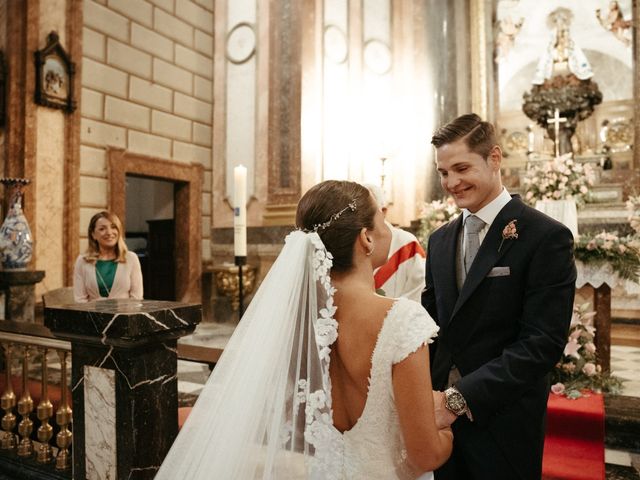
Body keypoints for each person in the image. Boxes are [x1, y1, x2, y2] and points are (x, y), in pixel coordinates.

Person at [156, 180, 452, 479]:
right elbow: (425, 454)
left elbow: (297, 426)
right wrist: (447, 430)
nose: (389, 228)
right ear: (366, 238)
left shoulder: (300, 319)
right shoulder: (402, 319)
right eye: (382, 219)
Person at [422, 113, 576, 480]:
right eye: (443, 173)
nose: (452, 183)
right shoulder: (439, 240)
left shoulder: (545, 236)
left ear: (494, 158)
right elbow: (431, 328)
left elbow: (542, 343)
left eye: (461, 168)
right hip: (439, 423)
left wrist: (458, 400)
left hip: (504, 421)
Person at [364, 183, 426, 302]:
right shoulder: (349, 241)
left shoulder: (407, 243)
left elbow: (419, 289)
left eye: (367, 209)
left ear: (383, 211)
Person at [73, 211, 143, 302]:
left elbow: (137, 298)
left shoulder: (131, 258)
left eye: (113, 227)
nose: (109, 232)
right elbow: (80, 300)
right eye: (102, 229)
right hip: (91, 315)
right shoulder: (82, 261)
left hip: (125, 315)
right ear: (93, 234)